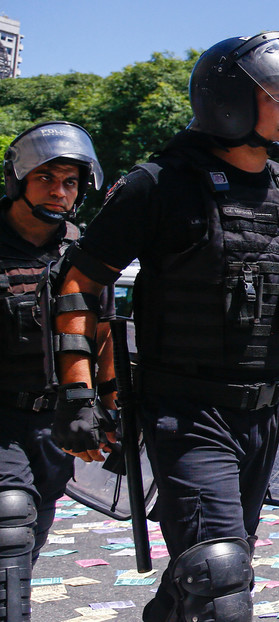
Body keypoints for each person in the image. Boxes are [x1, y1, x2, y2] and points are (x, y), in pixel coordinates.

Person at [49, 32, 279, 622]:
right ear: (230, 99)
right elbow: (80, 283)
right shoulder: (159, 183)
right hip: (188, 412)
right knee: (219, 573)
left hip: (261, 415)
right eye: (278, 95)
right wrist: (79, 392)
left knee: (210, 570)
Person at [0, 121, 106, 621]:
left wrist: (106, 403)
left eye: (70, 182)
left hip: (52, 423)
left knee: (27, 542)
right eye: (46, 178)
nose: (59, 192)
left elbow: (104, 331)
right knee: (9, 523)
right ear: (19, 179)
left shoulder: (82, 252)